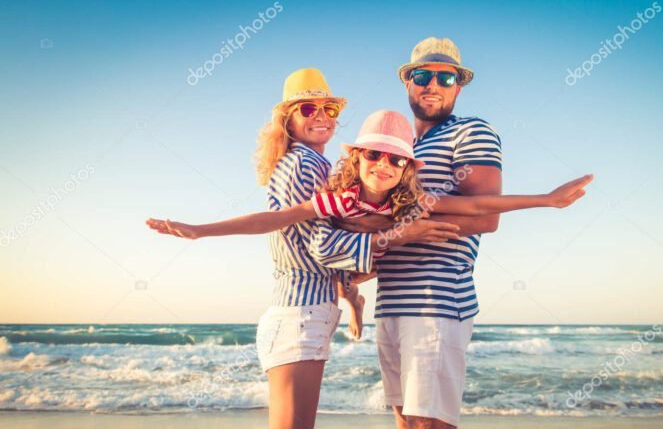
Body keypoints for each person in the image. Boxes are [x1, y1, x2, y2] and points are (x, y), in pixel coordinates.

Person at [145, 68, 459, 429]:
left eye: (329, 109)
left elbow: (322, 251)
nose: (322, 117)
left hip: (306, 315)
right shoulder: (306, 162)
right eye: (308, 108)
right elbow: (321, 245)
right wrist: (397, 232)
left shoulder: (306, 162)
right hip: (297, 317)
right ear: (287, 119)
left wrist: (353, 301)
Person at [336, 37, 595, 429]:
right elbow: (391, 228)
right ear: (407, 81)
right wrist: (365, 262)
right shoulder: (400, 147)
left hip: (437, 302)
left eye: (445, 76)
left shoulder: (471, 131)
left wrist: (546, 200)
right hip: (393, 302)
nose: (433, 84)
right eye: (422, 75)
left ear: (459, 85)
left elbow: (484, 217)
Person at [149, 109, 591, 340]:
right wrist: (200, 230)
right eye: (374, 154)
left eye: (396, 158)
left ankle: (354, 299)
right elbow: (274, 218)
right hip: (342, 252)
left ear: (406, 167)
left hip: (372, 252)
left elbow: (478, 208)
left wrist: (548, 200)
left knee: (389, 252)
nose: (384, 164)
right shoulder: (339, 197)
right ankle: (352, 298)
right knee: (347, 268)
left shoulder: (411, 201)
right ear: (357, 157)